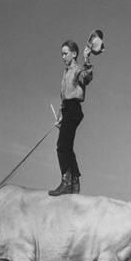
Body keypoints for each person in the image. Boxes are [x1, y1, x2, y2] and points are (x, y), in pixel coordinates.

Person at [48, 39, 93, 196]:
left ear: (74, 54)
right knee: (66, 146)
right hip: (68, 110)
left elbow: (86, 79)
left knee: (61, 146)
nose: (63, 57)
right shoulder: (66, 72)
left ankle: (67, 182)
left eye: (65, 53)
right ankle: (74, 183)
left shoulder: (77, 69)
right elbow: (63, 98)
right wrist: (60, 116)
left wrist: (87, 59)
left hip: (74, 108)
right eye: (61, 54)